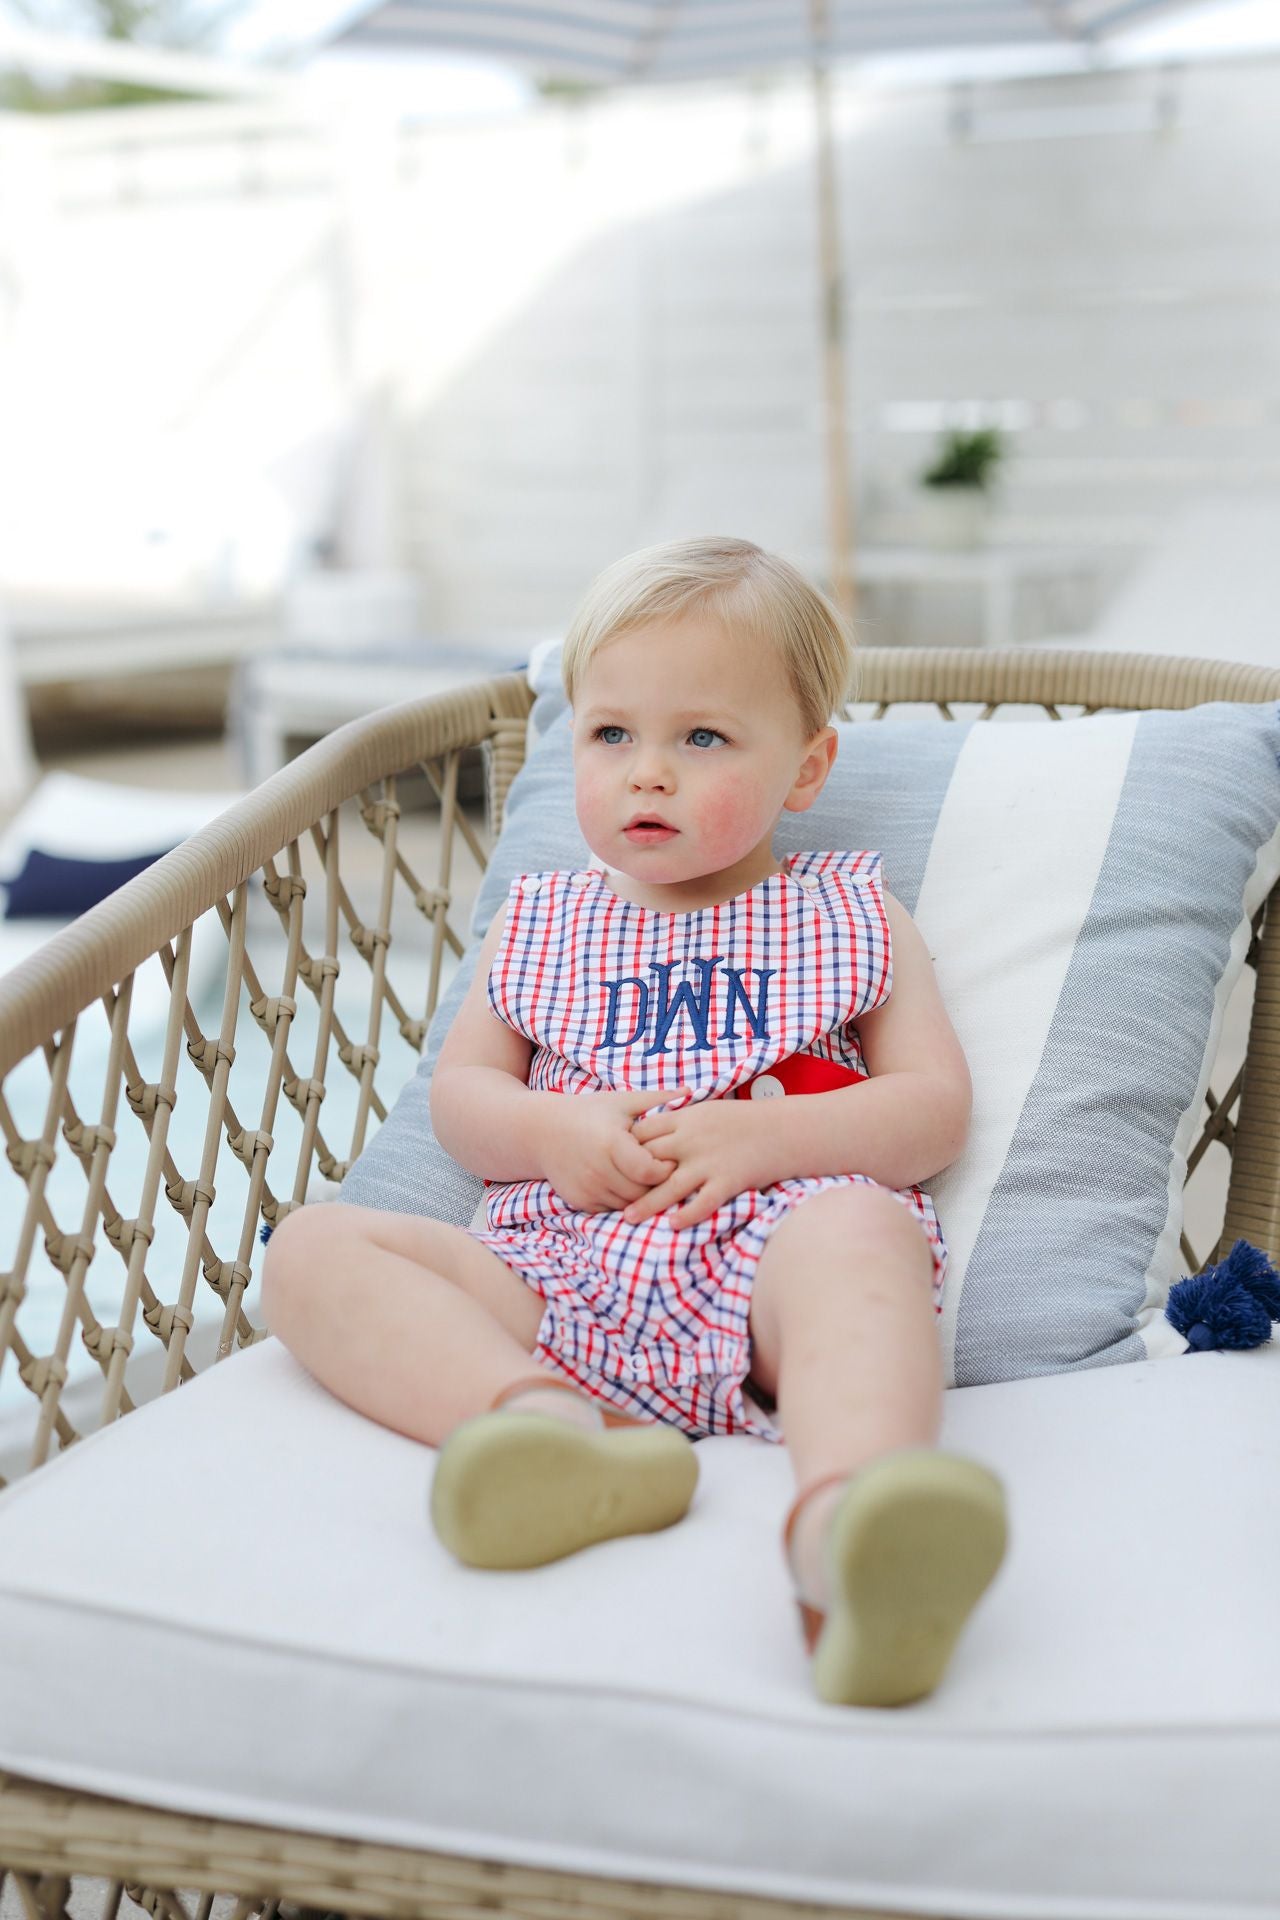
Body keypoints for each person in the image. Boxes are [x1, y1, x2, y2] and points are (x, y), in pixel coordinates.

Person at [262, 536, 1007, 1709]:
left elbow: (930, 1112)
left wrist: (769, 1142)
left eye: (700, 737)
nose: (645, 772)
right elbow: (464, 1102)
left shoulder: (851, 911)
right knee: (310, 1248)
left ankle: (849, 1529)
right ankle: (549, 1432)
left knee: (862, 1237)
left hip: (762, 1254)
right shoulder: (540, 922)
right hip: (550, 1275)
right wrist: (549, 1137)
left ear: (803, 768)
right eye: (611, 735)